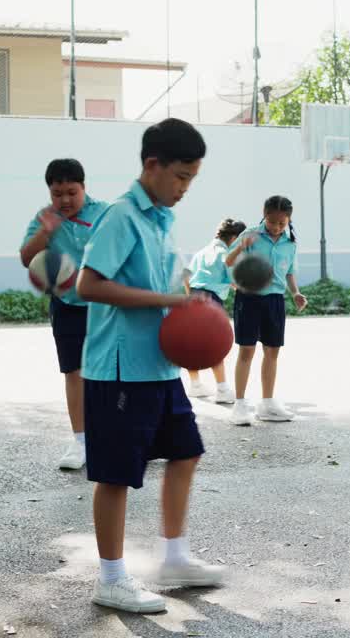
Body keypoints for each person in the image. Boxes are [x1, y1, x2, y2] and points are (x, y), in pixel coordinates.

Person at [76, 118, 224, 613]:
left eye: (192, 179)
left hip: (160, 368)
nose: (185, 188)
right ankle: (111, 579)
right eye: (181, 177)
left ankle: (175, 557)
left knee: (186, 452)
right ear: (152, 166)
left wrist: (192, 305)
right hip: (120, 369)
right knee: (115, 476)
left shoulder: (162, 218)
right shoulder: (121, 215)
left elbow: (171, 287)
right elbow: (88, 285)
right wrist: (166, 300)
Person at [19, 158, 110, 471]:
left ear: (84, 187)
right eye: (58, 194)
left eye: (72, 192)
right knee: (74, 372)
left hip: (104, 305)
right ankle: (81, 440)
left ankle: (116, 434)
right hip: (67, 305)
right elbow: (25, 257)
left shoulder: (106, 213)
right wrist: (46, 232)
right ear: (50, 193)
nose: (65, 200)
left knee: (111, 372)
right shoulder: (44, 218)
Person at [224, 196, 308, 425]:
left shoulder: (290, 242)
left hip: (275, 301)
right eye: (273, 222)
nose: (277, 227)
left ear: (289, 219)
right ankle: (240, 405)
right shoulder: (250, 235)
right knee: (247, 351)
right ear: (264, 215)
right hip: (248, 298)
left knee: (272, 352)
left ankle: (267, 403)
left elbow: (289, 272)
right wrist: (241, 246)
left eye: (282, 223)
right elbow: (228, 261)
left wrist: (295, 293)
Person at [182, 218, 245, 404]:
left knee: (192, 343)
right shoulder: (226, 254)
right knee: (214, 344)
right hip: (211, 300)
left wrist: (191, 296)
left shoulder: (202, 252)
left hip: (193, 296)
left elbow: (185, 275)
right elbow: (236, 282)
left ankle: (195, 385)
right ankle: (223, 389)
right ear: (234, 238)